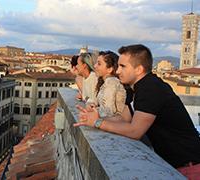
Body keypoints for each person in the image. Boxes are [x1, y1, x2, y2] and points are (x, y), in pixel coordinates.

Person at [74, 44, 200, 177]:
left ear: (139, 69)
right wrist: (95, 117)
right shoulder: (138, 88)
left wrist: (98, 123)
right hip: (176, 165)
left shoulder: (151, 88)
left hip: (190, 166)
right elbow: (123, 118)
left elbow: (135, 131)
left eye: (123, 66)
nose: (117, 71)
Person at [93, 51, 126, 118]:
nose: (94, 66)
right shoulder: (107, 82)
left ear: (110, 69)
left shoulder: (111, 83)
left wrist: (94, 110)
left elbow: (108, 112)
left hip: (116, 124)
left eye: (99, 64)